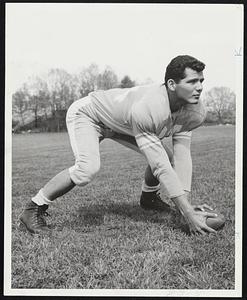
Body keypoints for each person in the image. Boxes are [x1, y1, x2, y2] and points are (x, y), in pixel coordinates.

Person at [19, 55, 218, 235]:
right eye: (192, 81)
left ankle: (148, 199)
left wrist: (186, 208)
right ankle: (33, 208)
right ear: (172, 84)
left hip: (120, 124)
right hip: (91, 115)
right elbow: (160, 166)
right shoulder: (149, 107)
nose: (199, 87)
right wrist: (187, 211)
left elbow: (182, 157)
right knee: (86, 169)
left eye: (201, 81)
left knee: (167, 155)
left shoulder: (195, 111)